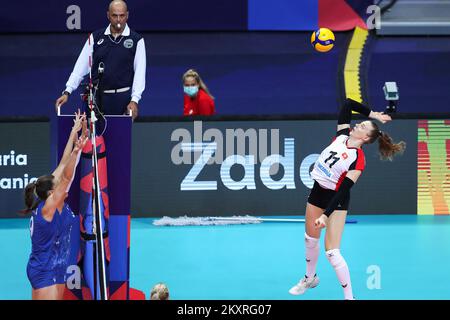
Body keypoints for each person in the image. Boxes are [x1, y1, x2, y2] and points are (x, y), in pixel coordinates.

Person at [288, 98, 405, 300]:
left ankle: (349, 297)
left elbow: (343, 190)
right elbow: (348, 104)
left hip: (337, 199)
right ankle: (310, 278)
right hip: (318, 191)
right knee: (310, 239)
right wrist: (373, 115)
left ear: (366, 138)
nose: (356, 125)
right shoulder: (342, 136)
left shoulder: (358, 160)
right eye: (358, 123)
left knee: (332, 252)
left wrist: (326, 215)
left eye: (361, 126)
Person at [23, 111, 88, 300]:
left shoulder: (50, 198)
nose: (58, 181)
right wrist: (77, 149)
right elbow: (66, 176)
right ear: (51, 194)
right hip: (43, 269)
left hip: (58, 264)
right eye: (56, 183)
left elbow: (62, 165)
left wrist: (74, 134)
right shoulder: (48, 208)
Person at [55, 0, 146, 121]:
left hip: (122, 100)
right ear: (108, 15)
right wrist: (67, 91)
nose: (118, 19)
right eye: (114, 15)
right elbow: (80, 67)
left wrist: (135, 100)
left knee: (119, 138)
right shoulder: (95, 37)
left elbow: (140, 73)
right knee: (93, 138)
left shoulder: (137, 40)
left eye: (122, 15)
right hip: (96, 100)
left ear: (127, 15)